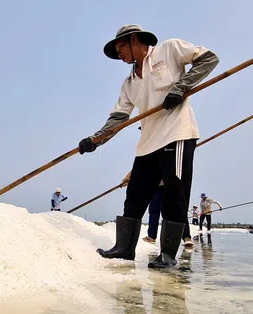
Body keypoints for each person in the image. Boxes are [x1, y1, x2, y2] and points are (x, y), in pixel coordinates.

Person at [78, 24, 219, 268]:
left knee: (175, 194)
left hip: (177, 134)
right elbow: (118, 118)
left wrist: (181, 87)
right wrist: (95, 140)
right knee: (134, 195)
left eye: (120, 48)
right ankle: (124, 248)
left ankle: (167, 256)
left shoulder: (169, 50)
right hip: (147, 143)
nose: (119, 55)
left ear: (134, 40)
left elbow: (208, 59)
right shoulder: (129, 83)